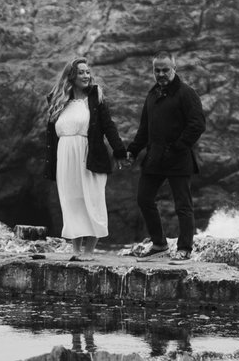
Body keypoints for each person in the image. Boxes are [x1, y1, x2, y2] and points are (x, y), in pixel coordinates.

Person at [42, 57, 127, 260]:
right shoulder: (58, 99)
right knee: (72, 201)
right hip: (65, 156)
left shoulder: (95, 97)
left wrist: (120, 151)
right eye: (81, 72)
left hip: (89, 155)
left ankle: (89, 251)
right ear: (71, 76)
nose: (86, 76)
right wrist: (50, 164)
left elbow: (109, 126)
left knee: (93, 199)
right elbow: (51, 136)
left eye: (88, 72)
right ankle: (76, 251)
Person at [126, 57, 206, 260]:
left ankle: (185, 249)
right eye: (157, 70)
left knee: (183, 205)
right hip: (154, 157)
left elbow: (197, 124)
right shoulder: (152, 94)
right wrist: (133, 151)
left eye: (165, 70)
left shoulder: (186, 93)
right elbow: (144, 129)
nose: (160, 74)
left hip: (179, 158)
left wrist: (178, 146)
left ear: (174, 69)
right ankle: (159, 245)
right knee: (144, 199)